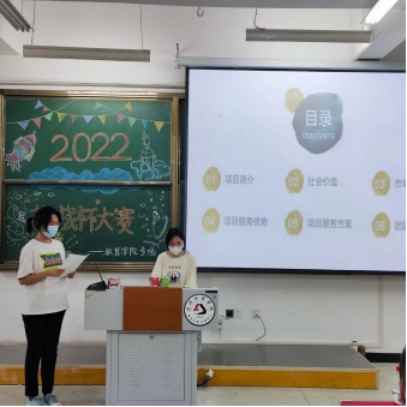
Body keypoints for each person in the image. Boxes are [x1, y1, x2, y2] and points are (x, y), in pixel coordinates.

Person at [18, 206, 76, 407]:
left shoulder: (58, 245)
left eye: (57, 223)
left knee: (51, 351)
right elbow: (23, 279)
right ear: (39, 223)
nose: (54, 226)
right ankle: (32, 397)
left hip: (57, 304)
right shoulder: (30, 248)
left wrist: (67, 272)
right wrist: (47, 273)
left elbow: (58, 271)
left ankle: (48, 393)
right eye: (51, 223)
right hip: (36, 308)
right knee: (35, 352)